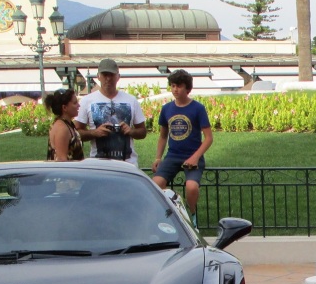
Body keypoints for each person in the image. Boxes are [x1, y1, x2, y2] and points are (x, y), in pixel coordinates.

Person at [152, 70, 213, 224]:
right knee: (156, 184)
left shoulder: (197, 108)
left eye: (179, 86)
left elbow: (208, 138)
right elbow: (163, 136)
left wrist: (195, 157)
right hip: (172, 155)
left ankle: (191, 216)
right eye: (172, 86)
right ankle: (167, 216)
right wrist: (158, 157)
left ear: (187, 89)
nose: (175, 89)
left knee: (191, 187)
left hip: (193, 155)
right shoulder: (167, 109)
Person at [75, 58, 146, 165]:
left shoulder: (131, 100)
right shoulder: (87, 101)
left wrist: (131, 131)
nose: (108, 79)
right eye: (105, 75)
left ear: (118, 77)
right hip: (98, 163)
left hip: (127, 163)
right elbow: (76, 133)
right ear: (98, 76)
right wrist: (95, 133)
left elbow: (142, 131)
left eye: (111, 75)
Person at [44, 88, 83, 161]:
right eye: (75, 103)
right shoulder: (61, 129)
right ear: (64, 107)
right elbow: (62, 160)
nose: (79, 105)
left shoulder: (67, 124)